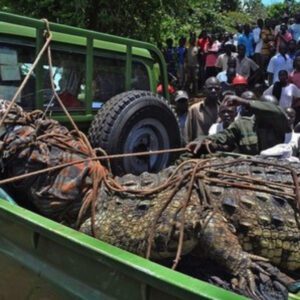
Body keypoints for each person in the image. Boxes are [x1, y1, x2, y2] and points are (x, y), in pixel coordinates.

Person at [187, 95, 289, 156]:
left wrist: (244, 102)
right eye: (263, 110)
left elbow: (277, 112)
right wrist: (204, 139)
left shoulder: (281, 123)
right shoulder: (243, 124)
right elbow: (223, 136)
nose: (266, 114)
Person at [184, 77, 221, 142]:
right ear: (204, 89)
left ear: (220, 90)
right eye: (210, 88)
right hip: (199, 150)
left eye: (216, 88)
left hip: (219, 150)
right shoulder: (194, 109)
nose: (213, 91)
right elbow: (187, 135)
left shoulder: (224, 110)